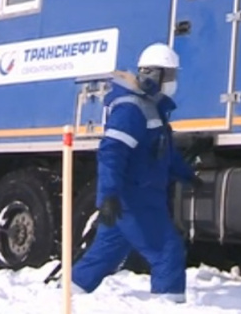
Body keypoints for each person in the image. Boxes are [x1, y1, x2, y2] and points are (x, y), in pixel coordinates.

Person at [71, 42, 197, 303]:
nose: (173, 82)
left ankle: (65, 298)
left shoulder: (151, 107)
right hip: (136, 199)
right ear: (155, 75)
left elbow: (162, 152)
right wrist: (108, 196)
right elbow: (112, 154)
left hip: (141, 196)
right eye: (170, 75)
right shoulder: (131, 109)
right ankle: (169, 304)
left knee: (105, 253)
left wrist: (186, 175)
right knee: (167, 251)